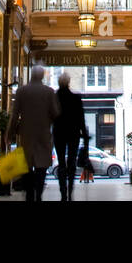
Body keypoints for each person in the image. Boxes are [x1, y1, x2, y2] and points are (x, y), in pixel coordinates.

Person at [10, 66, 60, 201]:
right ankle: (38, 193)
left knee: (27, 164)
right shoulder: (49, 92)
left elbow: (14, 115)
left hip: (26, 134)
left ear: (32, 75)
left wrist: (10, 132)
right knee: (41, 166)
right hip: (43, 134)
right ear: (42, 76)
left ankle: (29, 193)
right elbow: (56, 114)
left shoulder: (21, 91)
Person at [52, 72, 89, 201]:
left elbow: (51, 116)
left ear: (58, 83)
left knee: (61, 162)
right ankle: (70, 191)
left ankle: (63, 192)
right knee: (72, 162)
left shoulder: (54, 98)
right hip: (73, 133)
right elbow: (81, 118)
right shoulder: (76, 98)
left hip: (59, 133)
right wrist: (84, 134)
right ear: (68, 82)